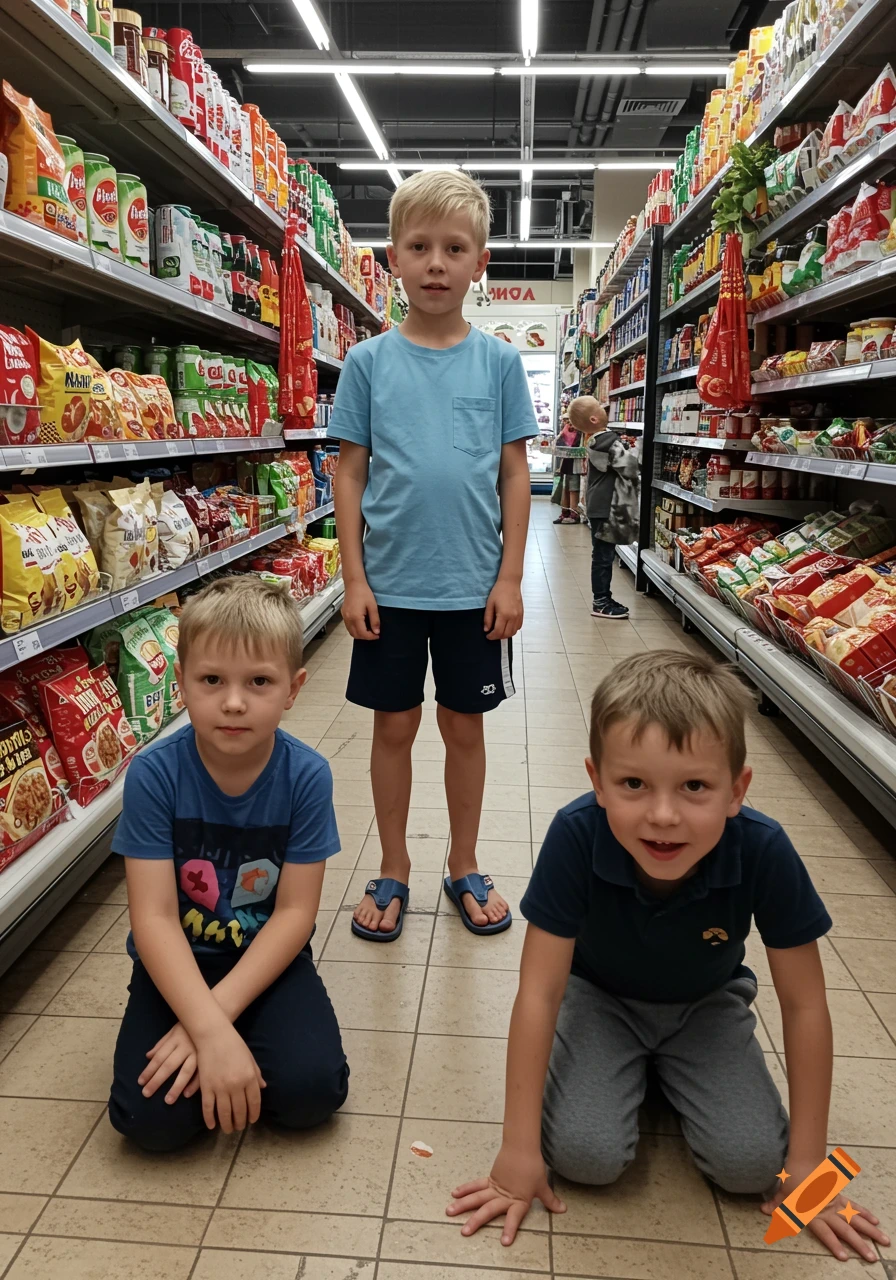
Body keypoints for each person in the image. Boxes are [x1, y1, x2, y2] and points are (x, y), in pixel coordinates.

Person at [447, 651, 889, 1264]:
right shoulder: (575, 835)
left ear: (737, 790)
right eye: (633, 784)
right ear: (596, 780)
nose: (662, 815)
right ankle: (632, 1071)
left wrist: (810, 1165)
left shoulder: (765, 850)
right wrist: (517, 1152)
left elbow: (806, 1003)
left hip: (706, 1006)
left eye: (695, 787)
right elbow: (540, 992)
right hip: (598, 1000)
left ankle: (659, 1073)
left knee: (752, 1166)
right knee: (585, 1158)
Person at [330, 169, 537, 941]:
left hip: (472, 587)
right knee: (391, 729)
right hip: (388, 584)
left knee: (465, 729)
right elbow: (350, 472)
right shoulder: (368, 364)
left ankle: (464, 860)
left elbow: (515, 472)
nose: (437, 263)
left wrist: (511, 576)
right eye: (419, 247)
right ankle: (392, 865)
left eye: (455, 248)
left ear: (481, 261)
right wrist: (353, 577)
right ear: (393, 257)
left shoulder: (500, 364)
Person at [108, 576, 349, 1151]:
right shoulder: (154, 775)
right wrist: (212, 1030)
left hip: (269, 962)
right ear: (182, 684)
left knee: (313, 1094)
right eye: (211, 680)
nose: (234, 701)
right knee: (148, 1123)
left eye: (258, 682)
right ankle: (228, 1050)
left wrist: (212, 1025)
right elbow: (156, 919)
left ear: (293, 689)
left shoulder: (306, 778)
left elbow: (294, 914)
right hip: (175, 964)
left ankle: (241, 1046)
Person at [567, 395, 639, 620]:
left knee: (602, 554)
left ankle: (603, 597)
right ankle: (601, 602)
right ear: (594, 417)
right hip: (606, 507)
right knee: (602, 556)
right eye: (600, 406)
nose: (604, 406)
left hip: (598, 506)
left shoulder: (596, 441)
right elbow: (628, 467)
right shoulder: (608, 441)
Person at [552, 418, 583, 524]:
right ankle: (565, 512)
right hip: (566, 462)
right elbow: (557, 443)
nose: (569, 424)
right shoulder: (566, 430)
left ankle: (574, 514)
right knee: (565, 488)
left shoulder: (582, 432)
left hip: (577, 465)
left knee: (573, 488)